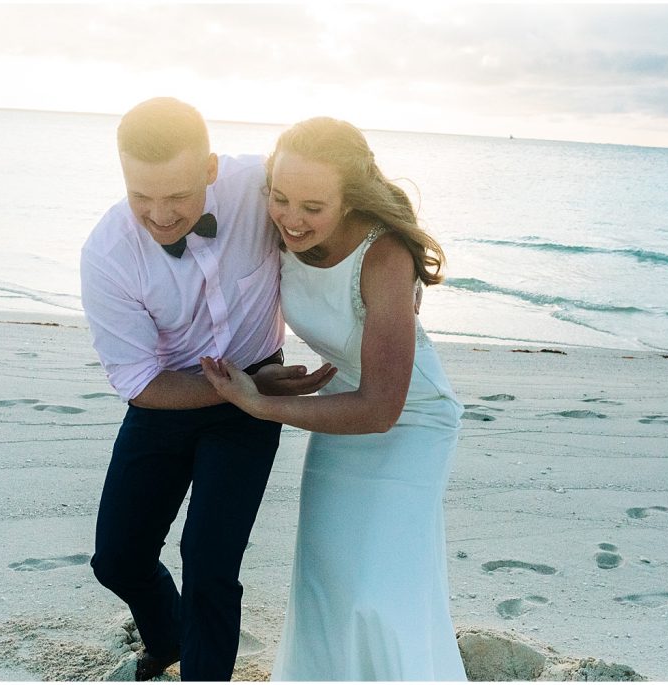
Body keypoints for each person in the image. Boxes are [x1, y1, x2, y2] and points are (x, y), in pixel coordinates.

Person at [200, 117, 467, 680]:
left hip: (411, 418)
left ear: (351, 201)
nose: (292, 219)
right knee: (326, 580)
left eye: (313, 207)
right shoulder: (275, 222)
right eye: (280, 198)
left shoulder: (384, 254)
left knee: (377, 593)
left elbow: (382, 409)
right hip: (344, 405)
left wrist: (261, 404)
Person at [79, 97, 335, 682]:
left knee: (211, 563)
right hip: (171, 401)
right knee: (117, 560)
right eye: (141, 196)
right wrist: (240, 388)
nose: (160, 214)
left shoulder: (258, 185)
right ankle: (168, 638)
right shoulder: (108, 254)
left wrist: (396, 266)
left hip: (256, 400)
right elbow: (140, 383)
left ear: (212, 170)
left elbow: (343, 193)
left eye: (176, 196)